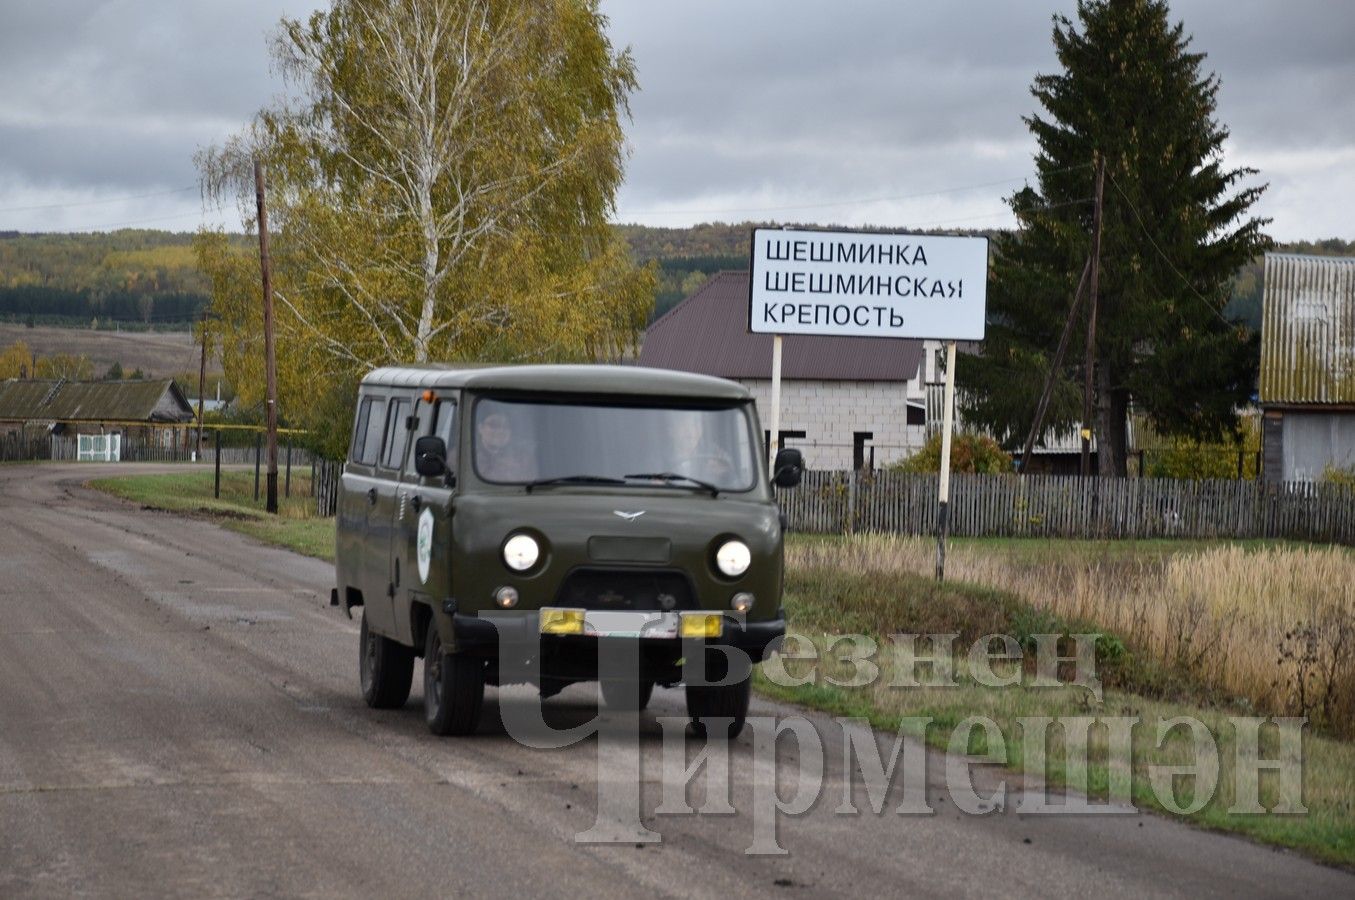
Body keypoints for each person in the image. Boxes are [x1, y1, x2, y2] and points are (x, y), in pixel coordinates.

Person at [670, 414, 734, 484]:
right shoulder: (661, 459)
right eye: (684, 425)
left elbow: (735, 483)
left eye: (695, 425)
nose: (690, 433)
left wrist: (723, 474)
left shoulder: (714, 454)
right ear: (671, 430)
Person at [476, 410, 536, 481]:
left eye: (506, 426)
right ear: (480, 428)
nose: (501, 431)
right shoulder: (470, 456)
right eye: (494, 425)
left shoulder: (523, 457)